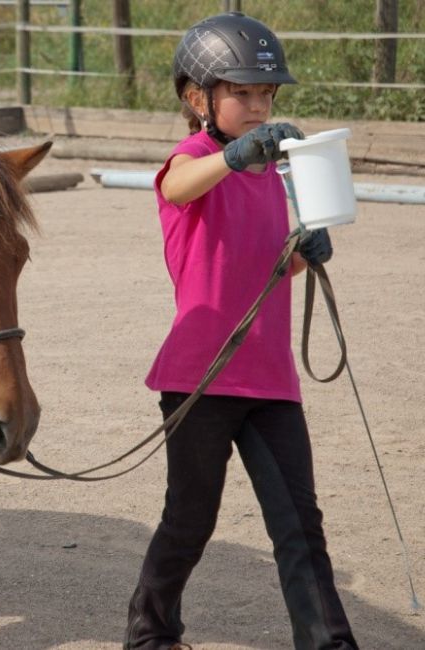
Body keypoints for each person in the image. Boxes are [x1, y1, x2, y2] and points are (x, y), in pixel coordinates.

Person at [124, 12, 357, 650]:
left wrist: (307, 250)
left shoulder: (273, 174)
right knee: (190, 520)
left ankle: (328, 642)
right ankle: (150, 634)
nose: (259, 106)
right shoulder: (196, 159)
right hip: (199, 378)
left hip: (271, 379)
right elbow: (177, 188)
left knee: (299, 524)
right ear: (197, 98)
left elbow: (270, 263)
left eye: (267, 94)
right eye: (243, 93)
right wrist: (233, 154)